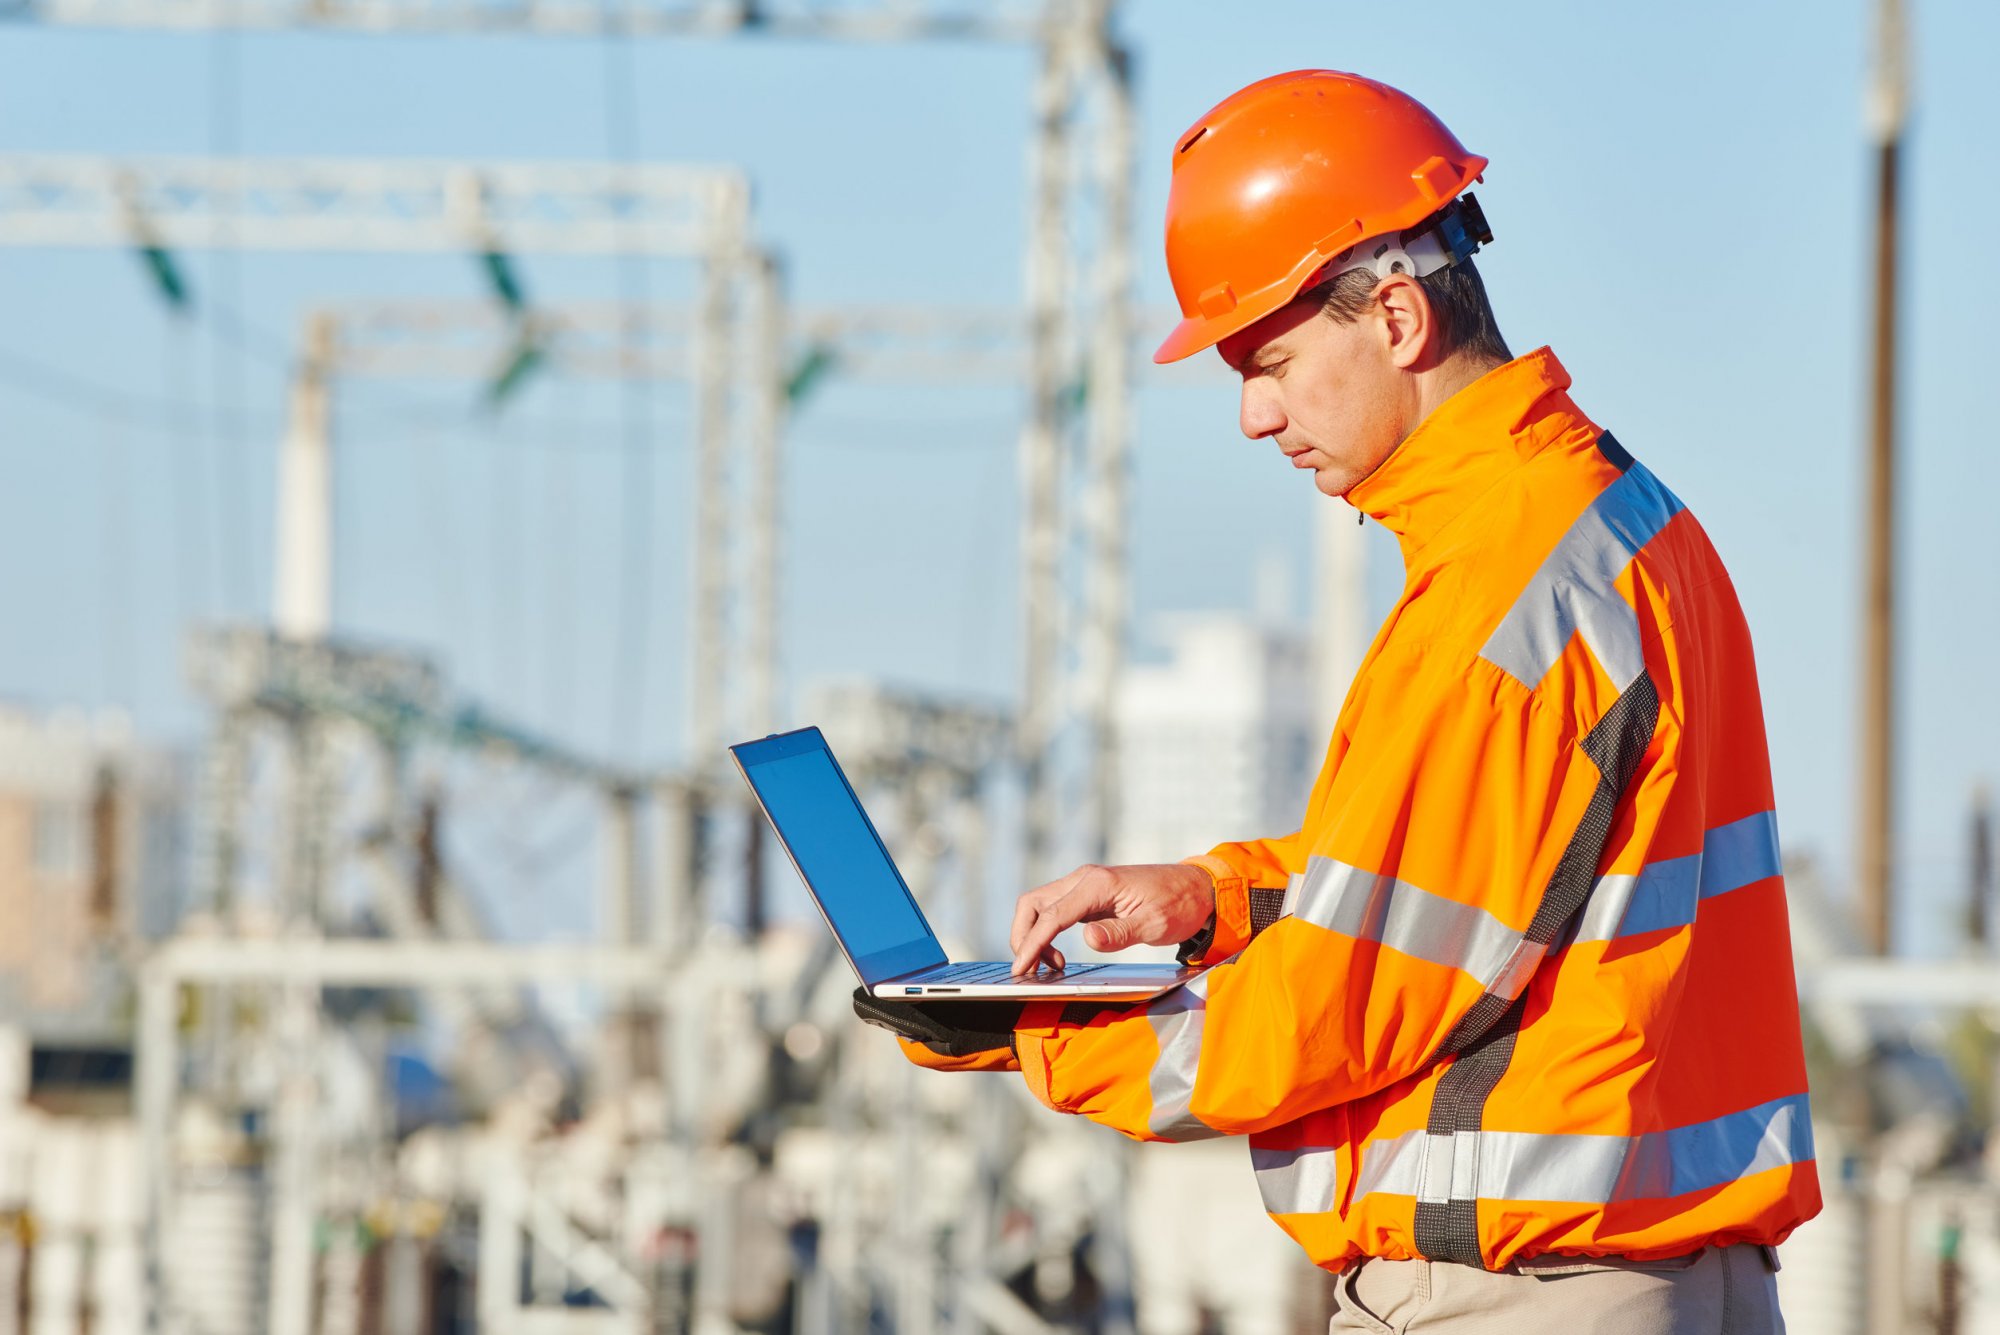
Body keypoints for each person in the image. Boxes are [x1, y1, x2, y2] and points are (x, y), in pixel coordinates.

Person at [856, 70, 1820, 1333]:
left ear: (1400, 320)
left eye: (1271, 362)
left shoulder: (1499, 598)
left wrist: (1028, 1029)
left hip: (1522, 1296)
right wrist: (1217, 897)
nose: (1255, 415)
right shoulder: (1619, 527)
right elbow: (1492, 877)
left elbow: (1332, 1010)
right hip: (1642, 1280)